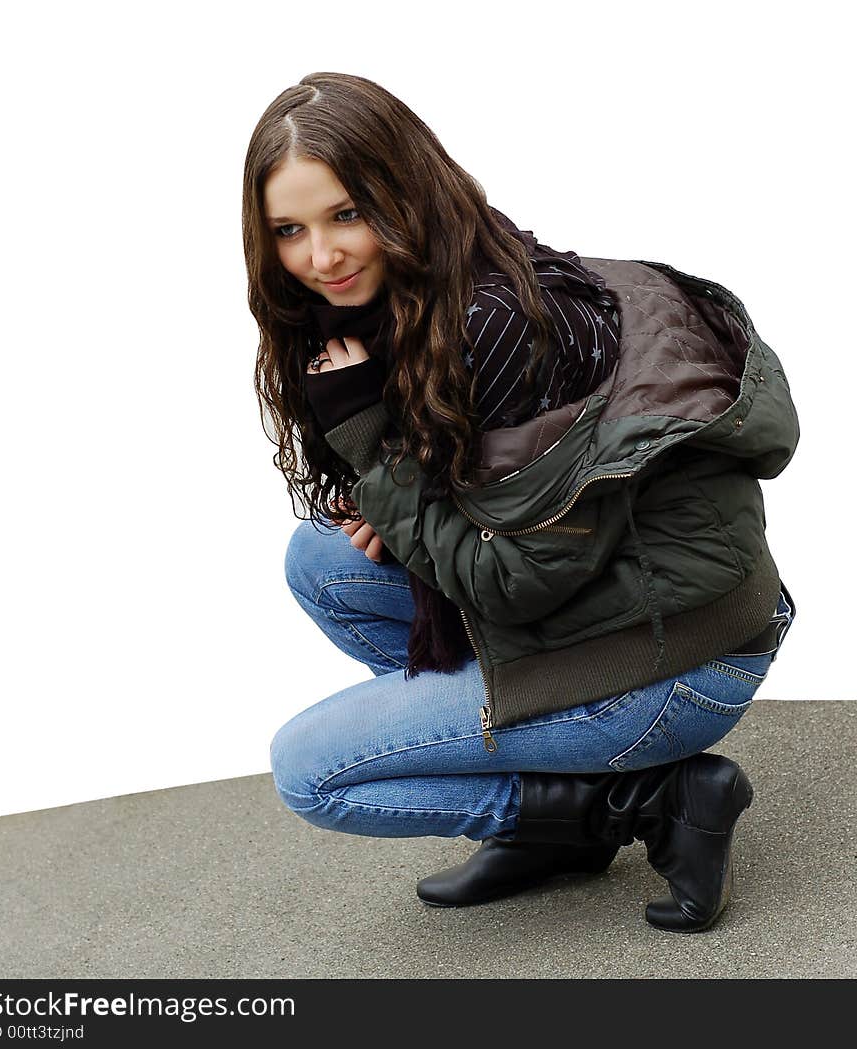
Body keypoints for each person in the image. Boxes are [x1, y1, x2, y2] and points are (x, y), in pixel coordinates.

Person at [241, 72, 798, 933]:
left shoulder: (490, 327)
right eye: (289, 230)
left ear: (403, 193)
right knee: (323, 562)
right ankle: (559, 825)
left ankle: (645, 800)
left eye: (346, 214)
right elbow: (481, 531)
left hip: (675, 661)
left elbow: (512, 582)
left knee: (308, 772)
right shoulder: (426, 289)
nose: (321, 257)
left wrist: (373, 445)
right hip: (618, 599)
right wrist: (398, 488)